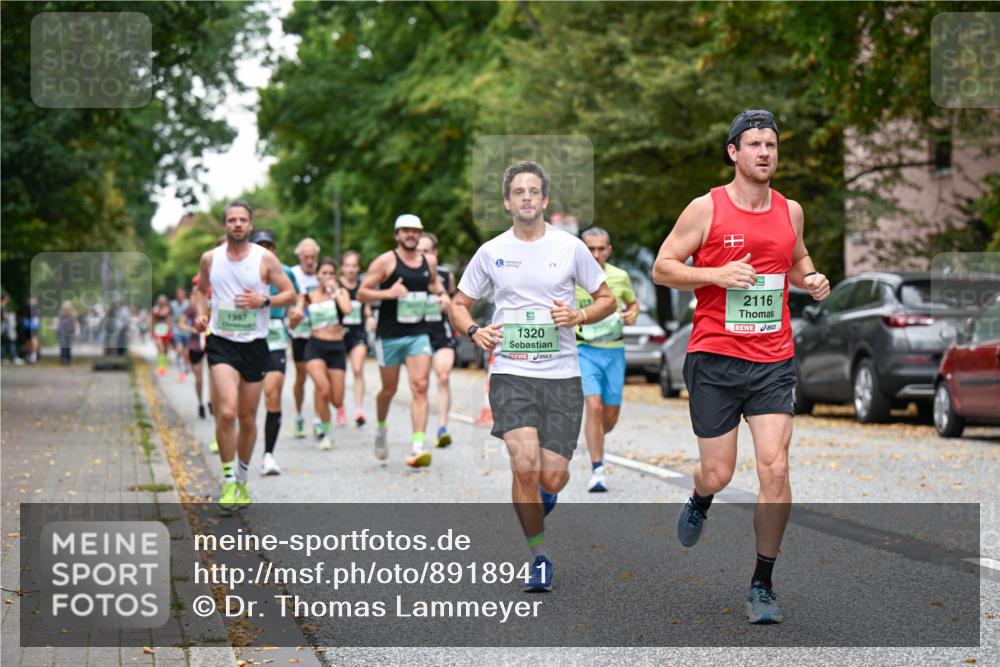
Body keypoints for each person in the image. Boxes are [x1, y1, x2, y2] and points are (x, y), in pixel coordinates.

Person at [652, 109, 831, 624]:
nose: (764, 153)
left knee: (775, 468)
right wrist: (716, 275)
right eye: (754, 144)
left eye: (771, 145)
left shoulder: (790, 210)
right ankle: (700, 496)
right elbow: (664, 268)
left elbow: (797, 259)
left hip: (773, 358)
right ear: (733, 152)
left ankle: (762, 583)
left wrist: (812, 278)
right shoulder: (705, 208)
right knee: (720, 471)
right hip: (714, 356)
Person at [449, 161, 615, 592]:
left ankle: (541, 499)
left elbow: (606, 299)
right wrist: (473, 330)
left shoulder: (570, 247)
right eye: (517, 191)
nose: (526, 197)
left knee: (551, 478)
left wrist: (578, 313)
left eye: (533, 191)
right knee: (524, 466)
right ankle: (538, 555)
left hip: (561, 375)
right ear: (507, 202)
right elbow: (458, 304)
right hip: (511, 372)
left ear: (543, 200)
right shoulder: (491, 251)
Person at [191, 200, 297, 513]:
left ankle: (241, 478)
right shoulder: (210, 259)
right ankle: (226, 482)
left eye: (243, 220)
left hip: (255, 344)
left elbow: (290, 294)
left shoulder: (264, 259)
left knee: (248, 417)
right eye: (232, 220)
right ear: (225, 225)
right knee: (226, 412)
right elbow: (200, 291)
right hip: (222, 342)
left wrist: (263, 301)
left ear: (249, 225)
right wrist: (200, 314)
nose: (237, 225)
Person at [358, 214, 450, 468]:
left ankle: (418, 446)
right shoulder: (386, 261)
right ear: (397, 235)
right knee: (389, 390)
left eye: (415, 231)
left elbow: (433, 282)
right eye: (406, 231)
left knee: (420, 386)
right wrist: (389, 293)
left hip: (418, 333)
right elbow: (362, 291)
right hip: (389, 335)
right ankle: (380, 428)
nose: (411, 235)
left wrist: (442, 295)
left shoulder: (427, 262)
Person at [575, 227, 639, 492]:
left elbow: (633, 304)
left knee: (608, 417)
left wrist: (632, 314)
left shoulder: (620, 276)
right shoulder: (571, 277)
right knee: (594, 406)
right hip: (584, 350)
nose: (596, 254)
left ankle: (594, 434)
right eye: (590, 248)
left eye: (601, 248)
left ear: (609, 250)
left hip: (614, 352)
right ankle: (597, 470)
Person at [249, 228, 302, 473]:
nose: (265, 251)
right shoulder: (242, 271)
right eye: (260, 246)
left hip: (275, 336)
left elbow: (296, 297)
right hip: (246, 337)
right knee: (246, 404)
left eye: (269, 246)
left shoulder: (286, 272)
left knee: (272, 393)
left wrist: (295, 313)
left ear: (275, 250)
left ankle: (268, 455)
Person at [303, 258, 353, 451]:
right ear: (317, 275)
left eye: (331, 274)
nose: (327, 277)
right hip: (315, 346)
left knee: (337, 399)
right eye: (324, 273)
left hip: (336, 347)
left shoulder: (341, 293)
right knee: (322, 388)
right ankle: (326, 431)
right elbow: (296, 316)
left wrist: (336, 291)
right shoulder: (308, 296)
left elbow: (347, 309)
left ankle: (325, 420)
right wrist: (296, 315)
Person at [417, 232, 458, 449]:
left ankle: (442, 427)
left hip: (441, 332)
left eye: (427, 251)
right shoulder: (408, 273)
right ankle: (419, 432)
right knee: (421, 384)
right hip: (417, 333)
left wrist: (447, 304)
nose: (423, 255)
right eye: (419, 251)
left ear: (435, 253)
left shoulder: (445, 274)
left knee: (443, 376)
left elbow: (453, 302)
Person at [288, 238, 322, 439]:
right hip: (299, 332)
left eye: (313, 257)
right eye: (306, 257)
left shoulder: (322, 274)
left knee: (319, 379)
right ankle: (299, 416)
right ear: (300, 256)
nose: (310, 261)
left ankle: (318, 420)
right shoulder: (292, 274)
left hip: (319, 332)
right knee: (301, 377)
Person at [339, 250, 376, 426]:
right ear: (342, 268)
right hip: (338, 333)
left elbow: (367, 308)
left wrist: (370, 318)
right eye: (348, 266)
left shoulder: (362, 286)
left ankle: (359, 409)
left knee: (357, 369)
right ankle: (339, 408)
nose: (351, 269)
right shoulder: (337, 286)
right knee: (338, 374)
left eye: (354, 266)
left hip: (358, 333)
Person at [178, 277, 209, 418]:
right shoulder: (191, 308)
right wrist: (193, 330)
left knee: (214, 376)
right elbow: (181, 324)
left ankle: (212, 401)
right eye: (195, 294)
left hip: (211, 345)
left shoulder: (212, 305)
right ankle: (200, 403)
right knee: (199, 377)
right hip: (195, 346)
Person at [170, 287, 192, 381]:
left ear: (184, 294)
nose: (180, 295)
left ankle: (186, 365)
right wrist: (170, 328)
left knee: (186, 352)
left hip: (187, 331)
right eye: (178, 294)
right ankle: (181, 371)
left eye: (181, 293)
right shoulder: (172, 304)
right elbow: (170, 317)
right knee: (179, 350)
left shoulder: (188, 304)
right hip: (177, 331)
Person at [151, 295, 173, 377]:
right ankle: (160, 367)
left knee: (165, 350)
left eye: (163, 302)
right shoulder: (155, 310)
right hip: (158, 330)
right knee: (160, 348)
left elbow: (170, 320)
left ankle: (163, 366)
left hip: (166, 330)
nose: (162, 303)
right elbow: (153, 320)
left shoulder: (168, 310)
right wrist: (152, 331)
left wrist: (170, 329)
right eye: (160, 302)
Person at [57, 300, 79, 365]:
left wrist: (76, 330)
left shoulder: (73, 314)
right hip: (62, 331)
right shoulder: (61, 313)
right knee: (63, 345)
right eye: (65, 307)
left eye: (68, 307)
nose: (66, 308)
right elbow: (58, 322)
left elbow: (75, 323)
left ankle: (68, 359)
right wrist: (57, 327)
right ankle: (63, 358)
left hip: (70, 332)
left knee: (68, 346)